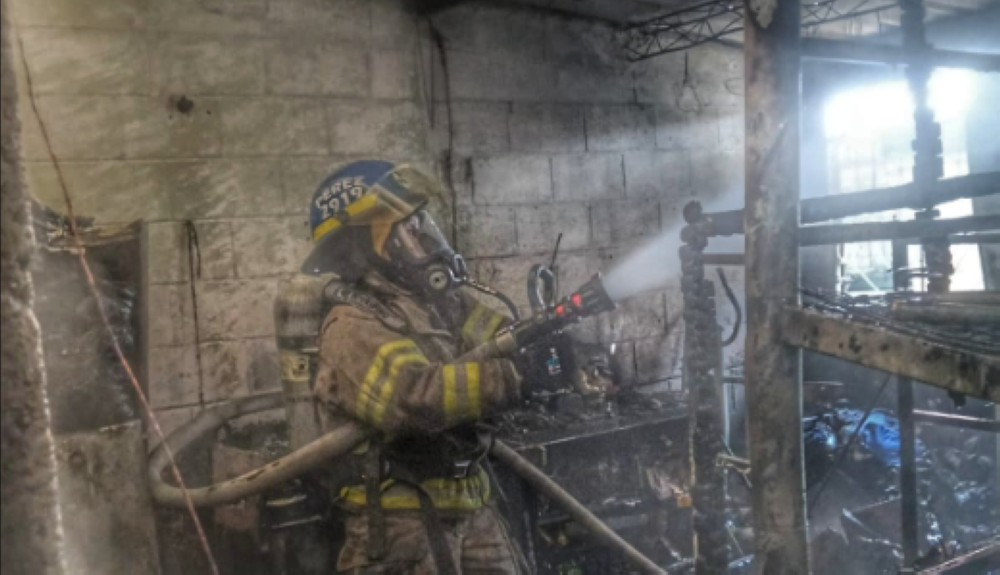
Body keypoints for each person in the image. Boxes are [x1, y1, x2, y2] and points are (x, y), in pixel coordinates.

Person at [302, 160, 529, 574]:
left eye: (423, 224)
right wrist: (513, 377)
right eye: (409, 227)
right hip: (401, 527)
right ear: (367, 243)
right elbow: (414, 397)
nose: (426, 238)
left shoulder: (437, 304)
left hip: (471, 506)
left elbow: (503, 335)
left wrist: (552, 342)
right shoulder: (351, 324)